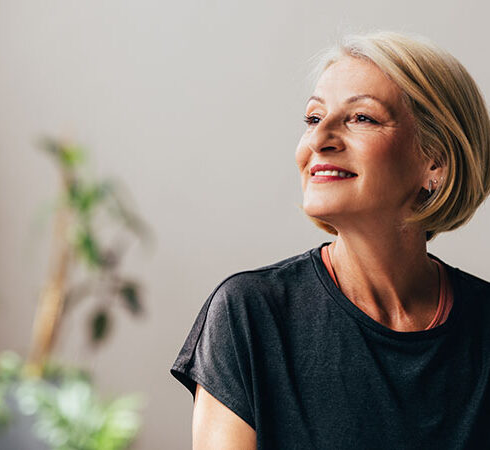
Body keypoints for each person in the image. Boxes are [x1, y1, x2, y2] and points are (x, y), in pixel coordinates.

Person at [170, 30, 490, 449]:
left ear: (436, 161)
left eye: (362, 118)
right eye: (314, 118)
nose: (319, 141)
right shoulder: (249, 314)